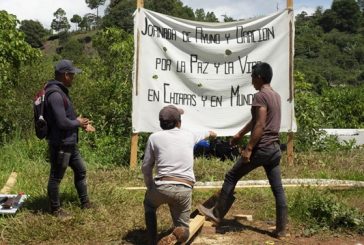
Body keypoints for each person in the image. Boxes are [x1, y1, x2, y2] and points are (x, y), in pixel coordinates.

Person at [198, 62, 288, 238]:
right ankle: (281, 229)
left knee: (231, 176)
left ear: (260, 77)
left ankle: (216, 214)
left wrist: (249, 148)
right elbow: (256, 120)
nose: (251, 80)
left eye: (253, 76)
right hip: (274, 149)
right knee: (278, 189)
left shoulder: (260, 96)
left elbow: (260, 124)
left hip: (261, 149)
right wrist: (240, 134)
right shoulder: (275, 95)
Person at [142, 105, 217, 245]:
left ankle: (152, 241)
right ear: (178, 122)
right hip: (184, 188)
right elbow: (208, 133)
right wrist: (213, 134)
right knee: (184, 230)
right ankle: (177, 235)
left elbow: (146, 166)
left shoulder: (154, 138)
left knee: (149, 204)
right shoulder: (189, 135)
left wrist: (149, 186)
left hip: (161, 186)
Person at [45, 59, 95, 217]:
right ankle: (55, 210)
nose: (73, 77)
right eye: (72, 75)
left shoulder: (60, 92)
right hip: (61, 143)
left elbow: (67, 119)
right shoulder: (55, 95)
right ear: (65, 75)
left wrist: (81, 124)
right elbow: (61, 122)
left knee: (80, 171)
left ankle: (85, 203)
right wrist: (78, 123)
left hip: (69, 143)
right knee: (56, 177)